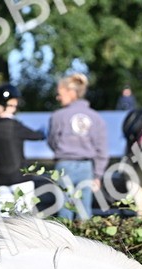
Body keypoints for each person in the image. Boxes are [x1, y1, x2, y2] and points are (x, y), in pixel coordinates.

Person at [47, 73, 107, 220]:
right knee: (84, 211)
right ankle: (85, 240)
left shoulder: (58, 116)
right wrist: (98, 175)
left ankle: (63, 242)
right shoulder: (96, 117)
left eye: (60, 94)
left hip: (64, 166)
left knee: (64, 210)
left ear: (71, 92)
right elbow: (102, 148)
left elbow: (52, 141)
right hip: (87, 167)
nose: (58, 98)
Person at [0, 83, 54, 213]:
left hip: (0, 180)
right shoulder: (14, 125)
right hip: (20, 179)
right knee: (24, 222)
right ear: (12, 103)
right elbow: (37, 135)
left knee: (5, 223)